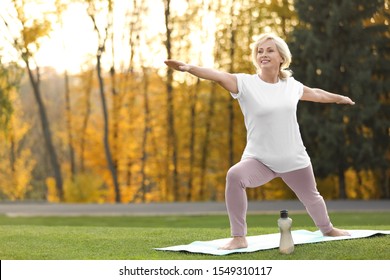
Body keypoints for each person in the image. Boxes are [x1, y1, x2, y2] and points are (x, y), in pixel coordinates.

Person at [164, 33, 354, 250]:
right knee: (234, 176)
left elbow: (317, 94)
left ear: (281, 57)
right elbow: (217, 75)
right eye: (260, 51)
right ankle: (238, 237)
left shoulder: (291, 86)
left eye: (269, 50)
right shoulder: (245, 83)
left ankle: (328, 229)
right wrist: (189, 68)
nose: (263, 54)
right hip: (260, 159)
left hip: (293, 157)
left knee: (312, 198)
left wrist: (339, 98)